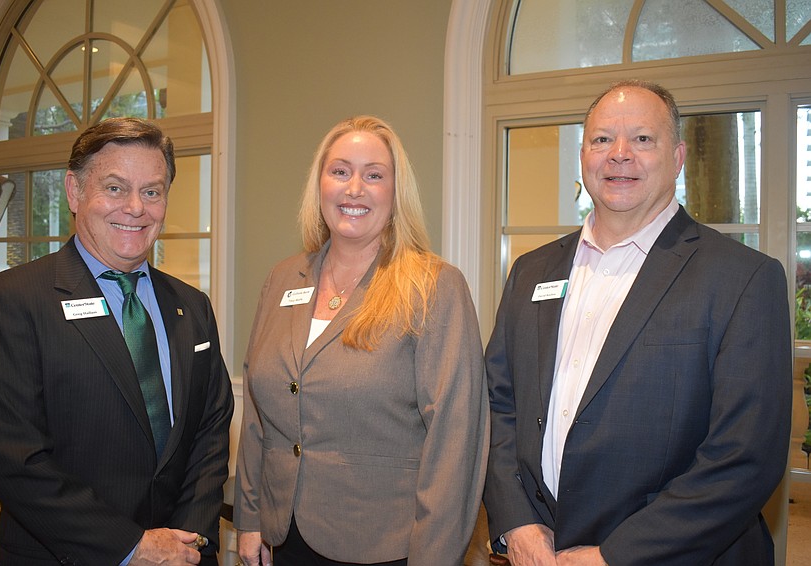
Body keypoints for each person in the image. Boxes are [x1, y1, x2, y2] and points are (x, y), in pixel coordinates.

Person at [483, 80, 792, 566]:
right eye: (602, 139)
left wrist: (615, 557)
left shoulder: (744, 278)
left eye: (643, 139)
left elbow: (744, 457)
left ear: (678, 157)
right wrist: (515, 522)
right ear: (583, 154)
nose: (619, 155)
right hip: (540, 551)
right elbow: (498, 406)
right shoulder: (531, 271)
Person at [0, 117, 233, 565]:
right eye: (114, 188)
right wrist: (132, 548)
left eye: (152, 191)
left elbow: (210, 432)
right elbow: (15, 460)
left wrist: (189, 542)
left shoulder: (192, 306)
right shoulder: (9, 302)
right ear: (74, 191)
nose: (135, 208)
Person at [234, 115, 489, 566]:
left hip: (386, 545)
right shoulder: (282, 279)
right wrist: (251, 518)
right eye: (340, 171)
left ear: (395, 193)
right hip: (285, 536)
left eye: (374, 175)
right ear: (320, 186)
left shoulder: (433, 286)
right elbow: (258, 411)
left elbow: (455, 440)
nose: (354, 189)